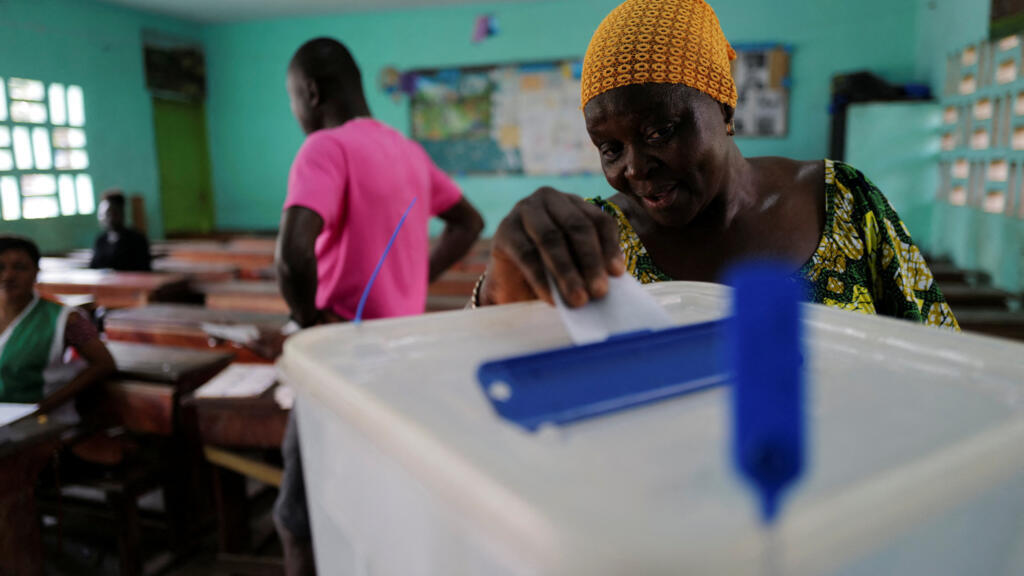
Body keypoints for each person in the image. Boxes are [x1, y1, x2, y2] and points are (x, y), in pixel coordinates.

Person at [475, 0, 958, 331]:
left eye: (659, 132)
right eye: (610, 148)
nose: (636, 169)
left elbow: (946, 357)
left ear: (726, 110)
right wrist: (500, 285)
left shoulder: (843, 201)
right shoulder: (597, 241)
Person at [272, 37, 484, 575]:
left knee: (299, 521)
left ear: (311, 92)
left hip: (344, 358)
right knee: (384, 506)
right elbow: (469, 221)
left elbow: (293, 255)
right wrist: (416, 276)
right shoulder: (408, 151)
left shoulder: (326, 147)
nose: (296, 111)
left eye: (293, 99)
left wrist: (308, 322)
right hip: (405, 359)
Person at [0, 235, 116, 413]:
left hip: (36, 420)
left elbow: (104, 363)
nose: (8, 275)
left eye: (20, 267)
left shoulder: (67, 319)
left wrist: (49, 404)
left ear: (36, 272)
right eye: (1, 268)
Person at [90, 189, 152, 272]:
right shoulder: (101, 240)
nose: (103, 218)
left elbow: (143, 270)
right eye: (100, 214)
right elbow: (93, 267)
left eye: (108, 213)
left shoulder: (137, 240)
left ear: (120, 212)